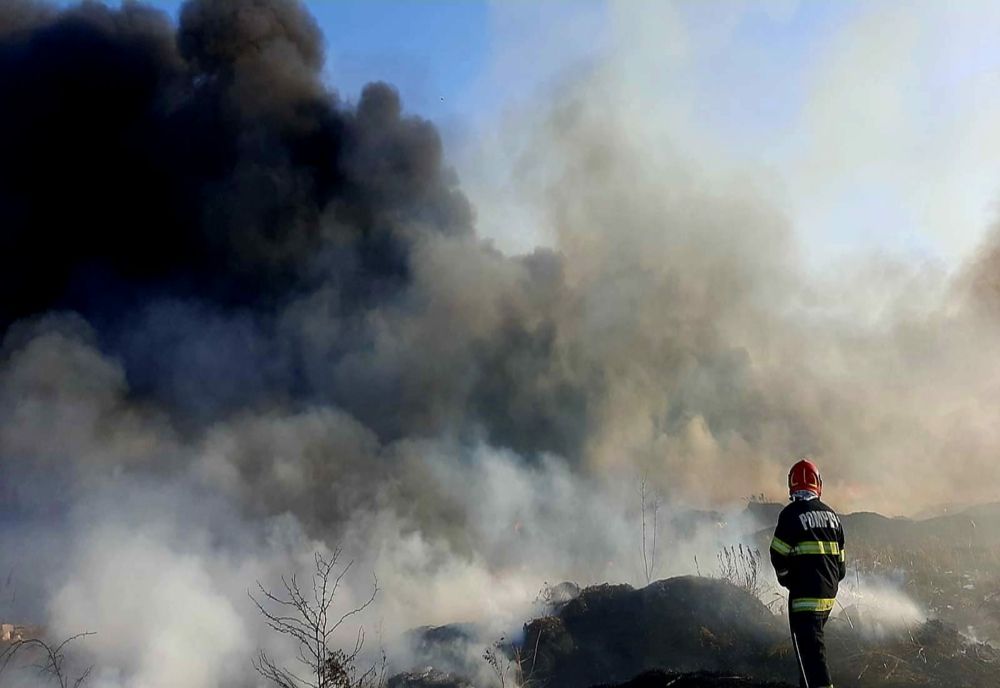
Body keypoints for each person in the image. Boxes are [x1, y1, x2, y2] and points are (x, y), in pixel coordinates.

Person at [769, 458, 846, 688]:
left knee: (813, 664)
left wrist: (786, 579)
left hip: (804, 601)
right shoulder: (833, 517)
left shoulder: (791, 515)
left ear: (791, 486)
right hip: (827, 600)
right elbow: (841, 567)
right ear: (818, 485)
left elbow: (778, 555)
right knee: (810, 658)